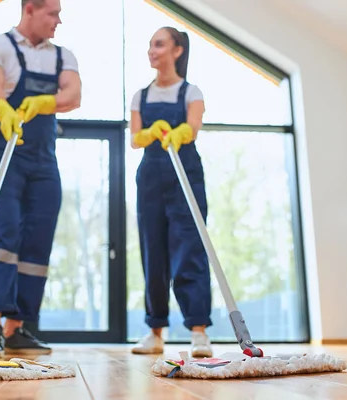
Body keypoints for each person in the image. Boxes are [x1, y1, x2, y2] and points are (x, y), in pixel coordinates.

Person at [0, 0, 81, 357]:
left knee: (38, 239)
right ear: (30, 8)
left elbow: (73, 95)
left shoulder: (63, 56)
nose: (59, 21)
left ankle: (17, 328)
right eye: (53, 13)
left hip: (45, 160)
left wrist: (45, 103)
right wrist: (2, 108)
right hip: (5, 152)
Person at [129, 27, 213, 357]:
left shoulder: (191, 91)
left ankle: (198, 331)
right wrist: (150, 132)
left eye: (159, 44)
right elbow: (135, 138)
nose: (152, 50)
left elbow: (192, 127)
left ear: (177, 51)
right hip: (150, 177)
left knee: (190, 248)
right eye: (150, 44)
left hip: (185, 174)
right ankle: (155, 332)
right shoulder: (141, 95)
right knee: (153, 252)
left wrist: (180, 132)